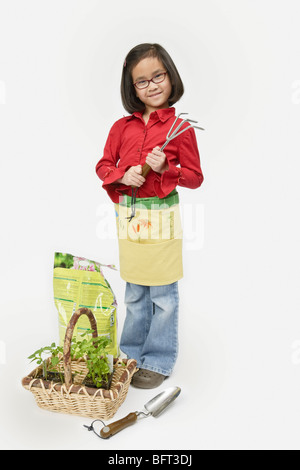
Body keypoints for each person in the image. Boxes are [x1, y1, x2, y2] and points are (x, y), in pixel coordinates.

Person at [95, 43, 204, 388]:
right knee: (135, 291)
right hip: (129, 217)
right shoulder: (120, 128)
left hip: (162, 218)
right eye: (142, 81)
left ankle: (157, 359)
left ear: (170, 76)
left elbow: (195, 177)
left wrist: (167, 167)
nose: (152, 85)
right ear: (132, 88)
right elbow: (103, 166)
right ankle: (130, 356)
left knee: (163, 294)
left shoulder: (180, 128)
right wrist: (121, 174)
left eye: (158, 76)